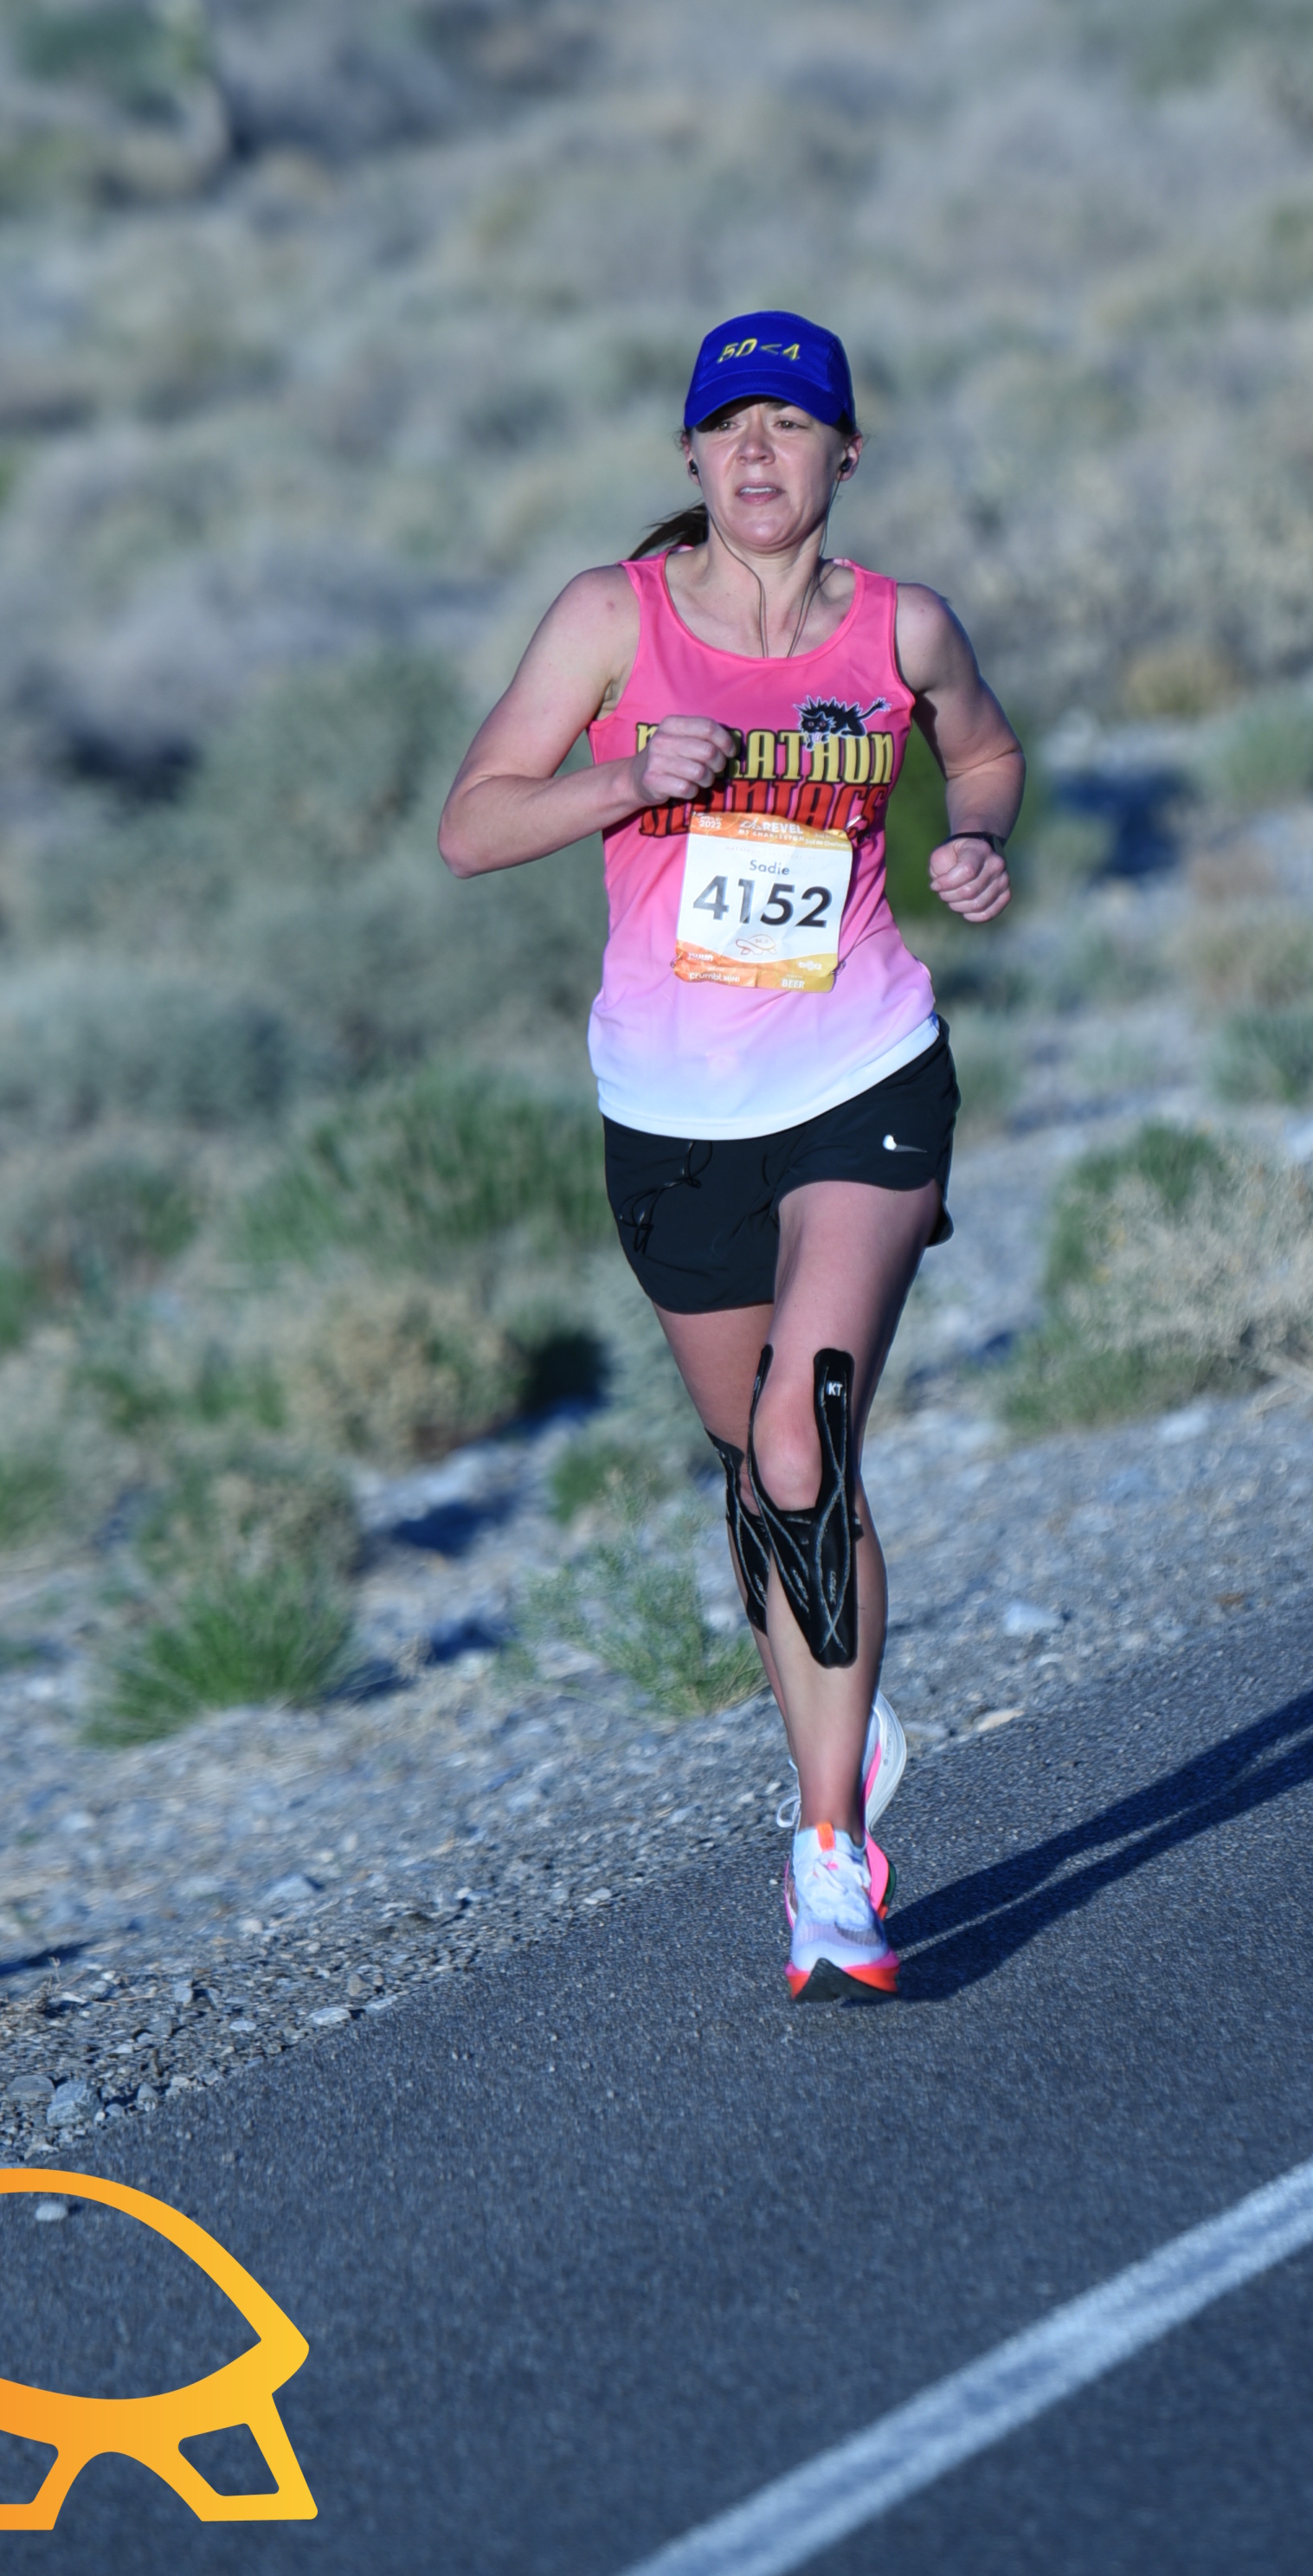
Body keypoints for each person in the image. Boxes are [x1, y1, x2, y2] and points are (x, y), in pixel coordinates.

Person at [439, 312, 1024, 2000]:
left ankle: (831, 1854)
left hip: (863, 1071)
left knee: (800, 1436)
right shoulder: (607, 619)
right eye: (730, 425)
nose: (759, 452)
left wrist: (973, 840)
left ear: (846, 453)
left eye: (792, 422)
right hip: (673, 1113)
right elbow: (473, 825)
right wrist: (627, 779)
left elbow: (981, 751)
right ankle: (838, 1715)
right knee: (757, 1480)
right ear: (692, 456)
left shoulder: (902, 626)